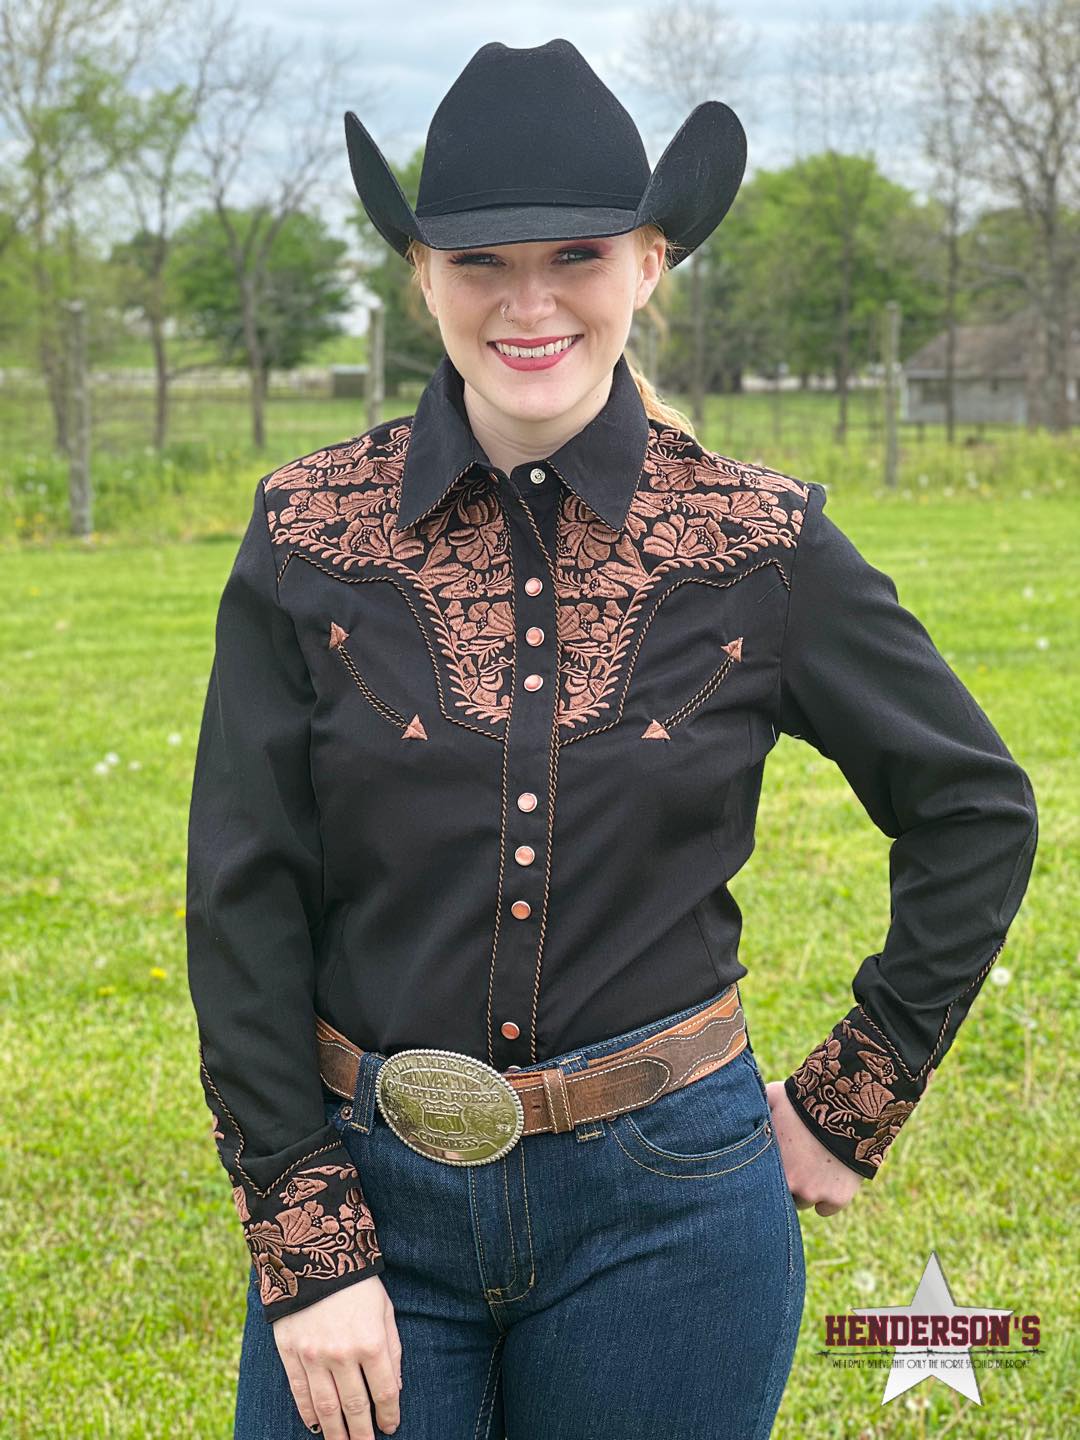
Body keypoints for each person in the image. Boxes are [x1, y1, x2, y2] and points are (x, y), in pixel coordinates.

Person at [184, 37, 1039, 1440]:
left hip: (673, 1217)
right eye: (479, 263)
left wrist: (849, 1097)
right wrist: (306, 1237)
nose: (529, 304)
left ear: (651, 263)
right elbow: (244, 892)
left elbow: (975, 810)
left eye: (576, 255)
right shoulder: (306, 533)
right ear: (421, 277)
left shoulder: (763, 541)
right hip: (371, 1191)